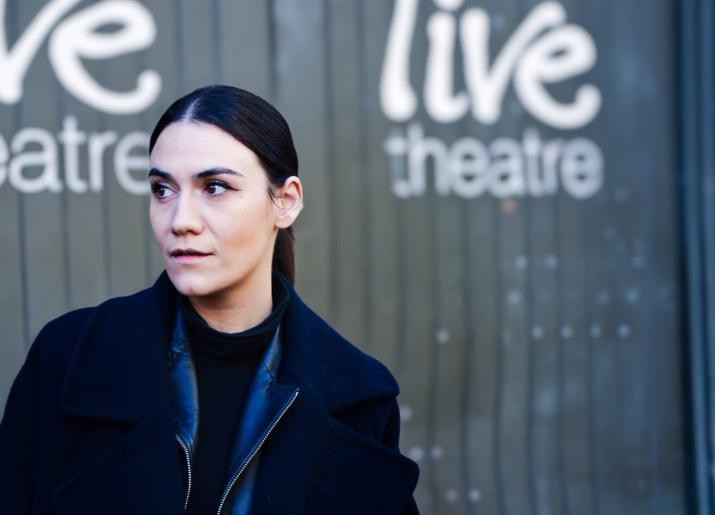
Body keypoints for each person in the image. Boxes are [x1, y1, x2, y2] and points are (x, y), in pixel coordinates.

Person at [0, 85, 420, 514]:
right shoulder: (69, 357)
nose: (181, 220)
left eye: (215, 187)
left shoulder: (358, 397)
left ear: (286, 202)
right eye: (163, 189)